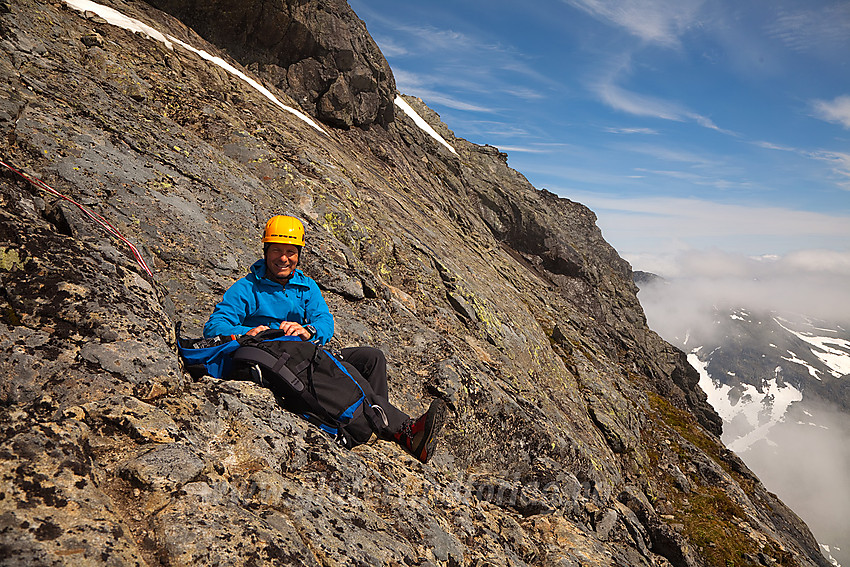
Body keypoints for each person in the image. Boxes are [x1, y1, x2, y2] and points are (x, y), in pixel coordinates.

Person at [204, 215, 447, 463]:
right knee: (346, 370)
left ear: (298, 254)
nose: (284, 258)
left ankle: (377, 426)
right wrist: (249, 332)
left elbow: (325, 322)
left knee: (372, 358)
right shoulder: (247, 288)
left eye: (290, 252)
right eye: (277, 251)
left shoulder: (306, 287)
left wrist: (308, 331)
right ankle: (403, 429)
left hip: (308, 351)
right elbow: (214, 326)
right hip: (280, 359)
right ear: (266, 251)